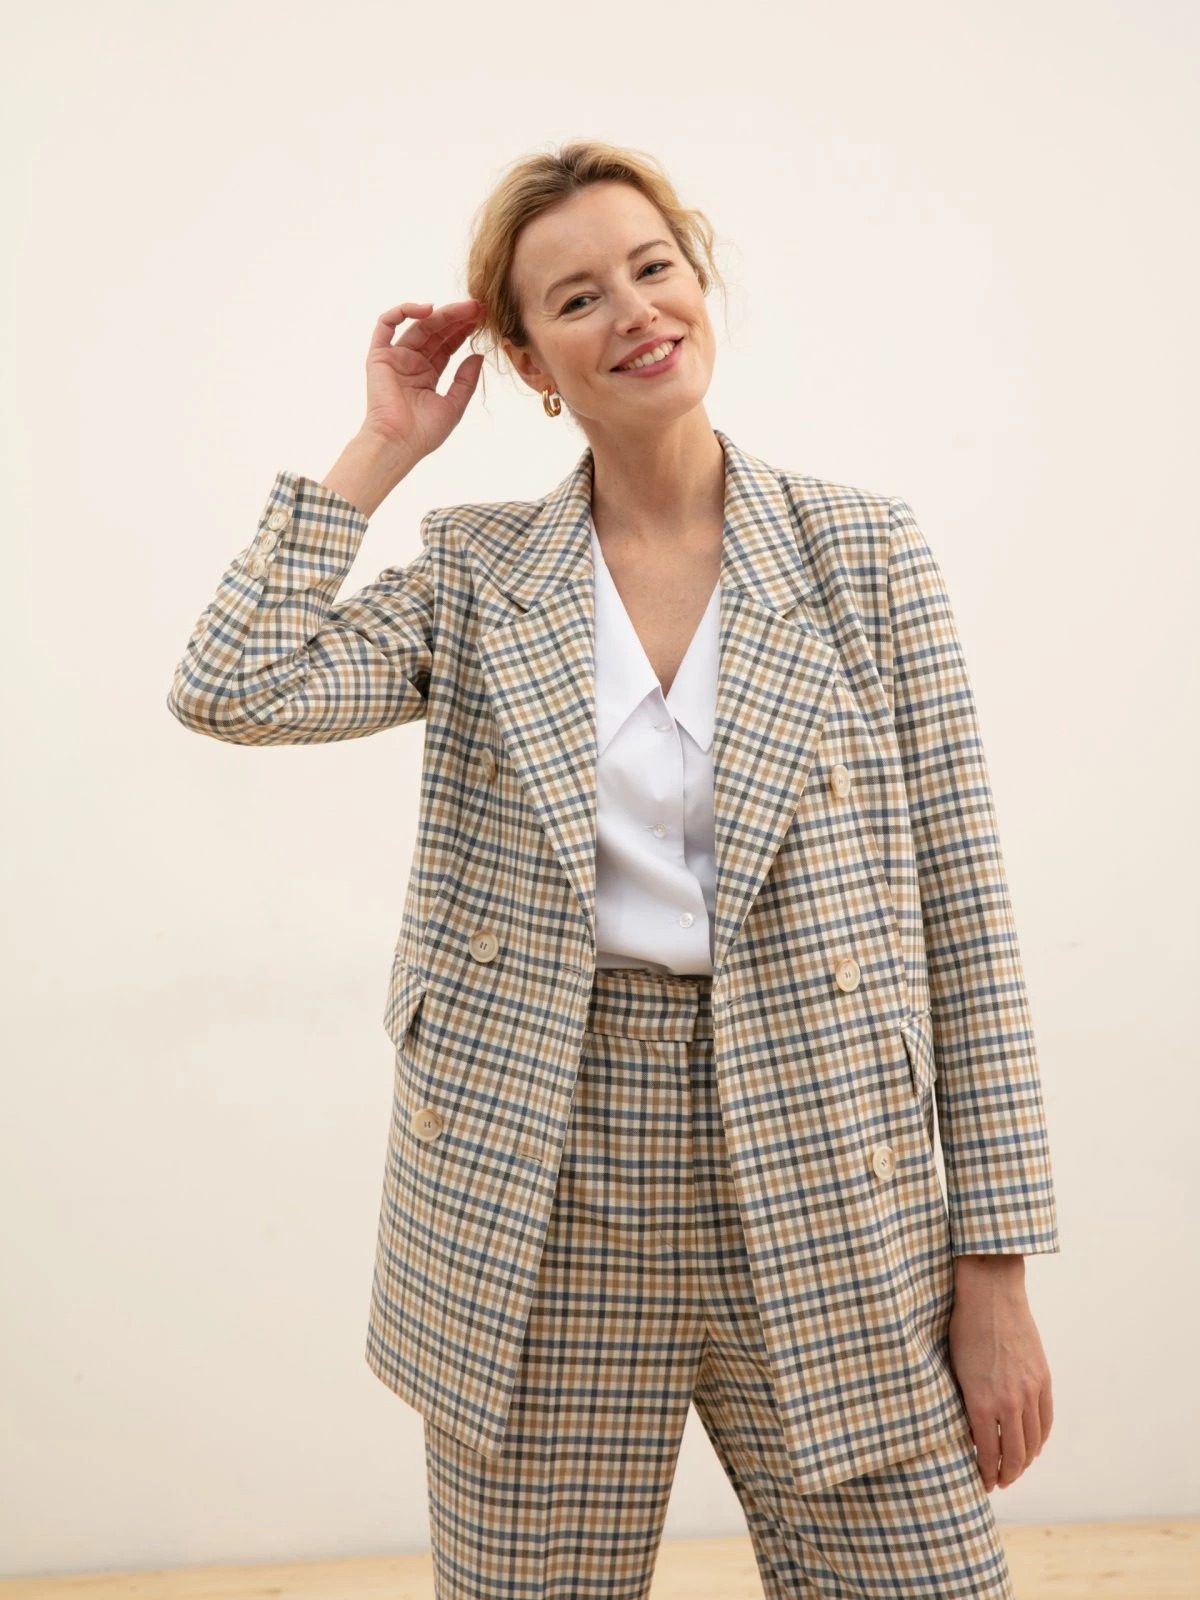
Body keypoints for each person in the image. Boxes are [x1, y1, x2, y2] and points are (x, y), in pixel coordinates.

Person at [167, 140, 1059, 1599]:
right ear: (527, 360)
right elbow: (232, 684)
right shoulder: (479, 573)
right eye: (577, 298)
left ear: (698, 280)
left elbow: (967, 912)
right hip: (545, 1173)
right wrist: (382, 446)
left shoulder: (863, 554)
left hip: (834, 1161)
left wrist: (997, 1272)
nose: (635, 311)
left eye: (654, 267)